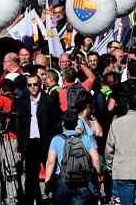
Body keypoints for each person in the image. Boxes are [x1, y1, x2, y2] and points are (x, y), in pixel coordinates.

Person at [15, 73, 61, 205]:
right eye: (29, 85)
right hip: (30, 142)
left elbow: (56, 122)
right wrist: (20, 145)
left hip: (46, 141)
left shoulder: (49, 100)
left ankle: (53, 198)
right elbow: (20, 125)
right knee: (30, 175)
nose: (33, 87)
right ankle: (31, 200)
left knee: (51, 171)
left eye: (35, 84)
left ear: (40, 85)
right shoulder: (23, 101)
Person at [44, 109, 99, 205]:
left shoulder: (56, 139)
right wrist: (97, 175)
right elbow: (96, 159)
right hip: (82, 181)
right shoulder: (87, 139)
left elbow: (51, 162)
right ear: (76, 123)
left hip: (62, 181)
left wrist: (47, 182)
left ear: (63, 124)